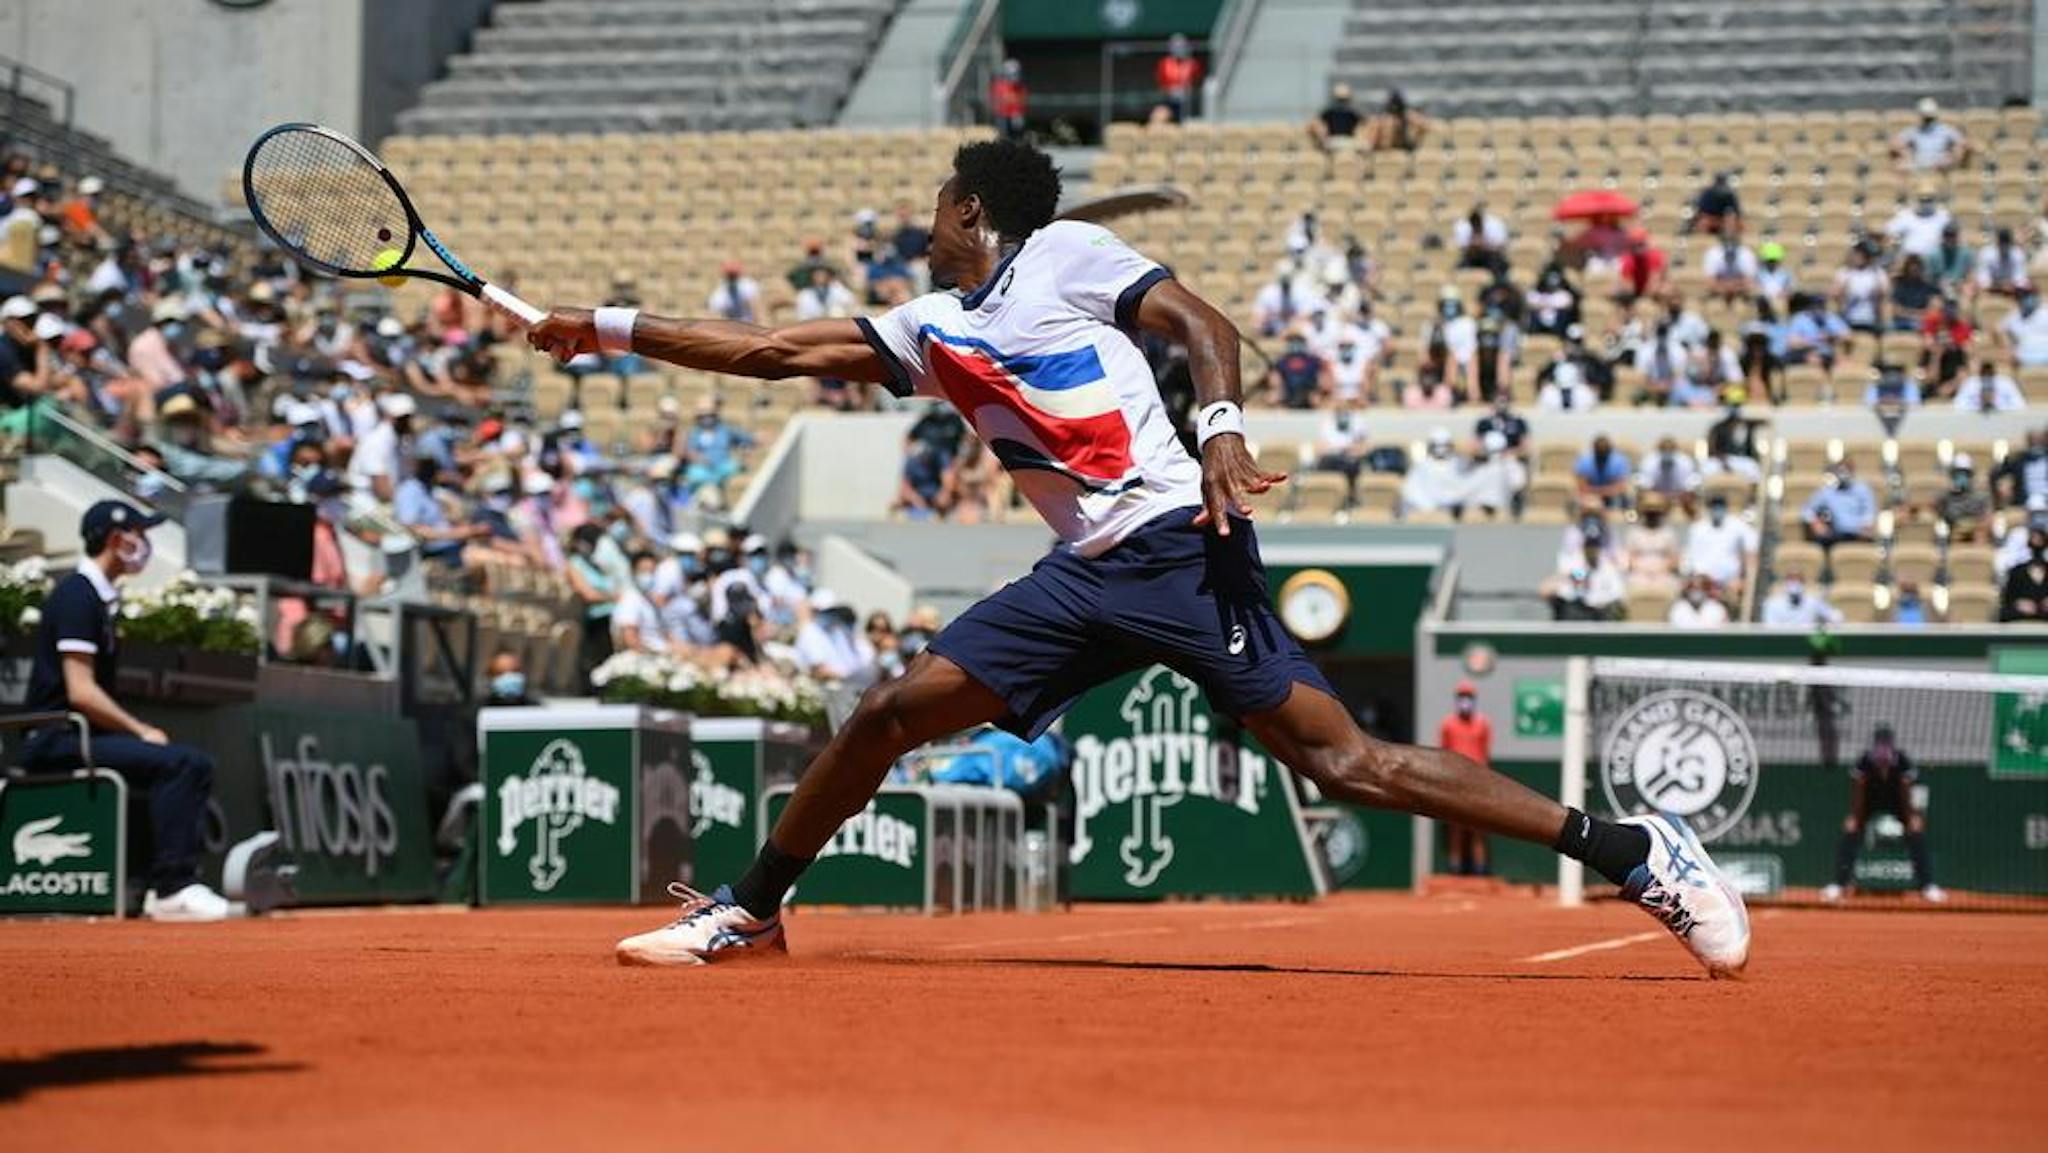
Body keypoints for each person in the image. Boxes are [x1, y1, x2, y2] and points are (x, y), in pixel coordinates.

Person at [527, 137, 1748, 972]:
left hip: (1176, 548)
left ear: (971, 211)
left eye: (938, 200)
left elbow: (1197, 323)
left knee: (1346, 764)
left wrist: (1216, 425)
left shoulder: (1062, 255)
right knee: (886, 713)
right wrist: (608, 328)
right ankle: (751, 909)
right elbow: (766, 352)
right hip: (1079, 578)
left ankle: (1638, 853)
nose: (923, 216)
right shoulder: (930, 326)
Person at [17, 501, 229, 921]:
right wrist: (139, 730)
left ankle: (148, 883)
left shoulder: (96, 598)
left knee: (183, 762)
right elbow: (80, 692)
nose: (145, 544)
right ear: (116, 541)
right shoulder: (78, 597)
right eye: (139, 534)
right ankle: (172, 887)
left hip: (73, 734)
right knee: (184, 764)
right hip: (54, 737)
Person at [1824, 725, 1944, 903]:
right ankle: (1839, 885)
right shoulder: (1864, 760)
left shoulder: (1902, 760)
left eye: (1885, 743)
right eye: (1879, 743)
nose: (1882, 748)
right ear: (1875, 744)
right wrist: (1855, 817)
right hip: (1870, 801)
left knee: (1916, 835)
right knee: (1850, 833)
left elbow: (1906, 791)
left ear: (1891, 744)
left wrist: (1911, 817)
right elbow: (1859, 790)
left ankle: (1928, 887)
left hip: (1897, 802)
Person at [1435, 681, 1493, 876]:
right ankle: (1455, 869)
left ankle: (1480, 871)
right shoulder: (1447, 724)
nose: (1465, 700)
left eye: (1468, 696)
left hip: (1478, 782)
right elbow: (1444, 752)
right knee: (1456, 828)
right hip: (1455, 781)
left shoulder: (1483, 724)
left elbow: (1485, 753)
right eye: (1462, 696)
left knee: (1478, 828)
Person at [1683, 492, 1758, 599]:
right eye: (1714, 505)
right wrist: (1691, 579)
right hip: (1702, 582)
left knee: (1737, 592)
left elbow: (1752, 547)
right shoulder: (1698, 528)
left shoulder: (1737, 525)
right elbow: (1689, 557)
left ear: (1726, 507)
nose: (1717, 509)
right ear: (1709, 508)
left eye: (1720, 505)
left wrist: (1745, 578)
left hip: (1729, 582)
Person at [1802, 459, 1877, 547]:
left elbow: (1869, 514)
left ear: (1852, 471)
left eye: (1847, 470)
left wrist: (1866, 526)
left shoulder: (1862, 489)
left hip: (1859, 535)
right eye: (1841, 471)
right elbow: (1807, 510)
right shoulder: (1828, 490)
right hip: (1835, 535)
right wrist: (1816, 523)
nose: (1843, 474)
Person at [1891, 97, 1971, 172]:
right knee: (1898, 166)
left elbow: (1962, 142)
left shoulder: (1945, 130)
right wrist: (1906, 154)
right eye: (1926, 117)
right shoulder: (1914, 130)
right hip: (1919, 164)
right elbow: (1895, 142)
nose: (1928, 120)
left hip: (1940, 164)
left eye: (1930, 117)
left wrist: (1952, 155)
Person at [2000, 521, 2048, 622]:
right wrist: (2017, 604)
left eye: (2041, 539)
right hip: (2021, 619)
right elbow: (2006, 601)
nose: (2037, 541)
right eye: (2034, 538)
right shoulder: (2016, 572)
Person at [1760, 569, 1841, 627]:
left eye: (1798, 580)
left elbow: (1835, 616)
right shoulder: (1771, 604)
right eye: (1791, 579)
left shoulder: (1812, 601)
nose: (1795, 583)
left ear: (1803, 583)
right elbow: (1770, 627)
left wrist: (1826, 626)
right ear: (1785, 583)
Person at [1152, 35, 1201, 124]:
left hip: (1188, 102)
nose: (1178, 49)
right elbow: (1161, 83)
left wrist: (1186, 90)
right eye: (1175, 46)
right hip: (1169, 100)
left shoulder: (1192, 64)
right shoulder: (1164, 64)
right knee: (1159, 115)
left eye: (1181, 46)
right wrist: (1171, 91)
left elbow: (1196, 82)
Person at [1572, 434, 1631, 508]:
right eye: (1599, 451)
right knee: (1577, 500)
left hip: (1612, 498)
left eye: (1604, 451)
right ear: (1594, 449)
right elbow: (1582, 487)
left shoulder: (1619, 461)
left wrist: (1598, 491)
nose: (1602, 453)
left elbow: (1620, 487)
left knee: (1622, 500)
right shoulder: (1584, 461)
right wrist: (1603, 492)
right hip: (1590, 496)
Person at [1365, 88, 1427, 152]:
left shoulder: (1408, 117)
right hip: (1397, 146)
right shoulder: (1384, 119)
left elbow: (1422, 125)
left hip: (1403, 145)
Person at [1999, 290, 2048, 368]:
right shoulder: (2014, 316)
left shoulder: (2045, 312)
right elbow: (1998, 330)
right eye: (2022, 298)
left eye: (2029, 297)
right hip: (2023, 357)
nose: (2027, 301)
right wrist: (2008, 347)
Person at [1952, 360, 2025, 412]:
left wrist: (1998, 409)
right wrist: (1978, 409)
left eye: (1989, 373)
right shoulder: (1971, 383)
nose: (1987, 395)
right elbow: (1957, 406)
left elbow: (2020, 406)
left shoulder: (2006, 383)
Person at [1308, 82, 1362, 150]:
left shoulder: (1329, 111)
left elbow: (1315, 122)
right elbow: (1365, 122)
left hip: (1332, 141)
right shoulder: (1353, 111)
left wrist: (1322, 138)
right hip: (1349, 141)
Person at [989, 58, 1027, 141]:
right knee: (1004, 136)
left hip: (1015, 116)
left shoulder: (1020, 87)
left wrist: (1018, 113)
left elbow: (1021, 102)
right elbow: (996, 102)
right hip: (1002, 116)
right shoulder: (999, 86)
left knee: (1017, 137)